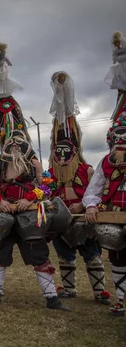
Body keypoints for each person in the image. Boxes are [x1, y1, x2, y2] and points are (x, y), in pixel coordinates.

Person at [0, 129, 70, 310]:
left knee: (37, 250)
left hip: (28, 212)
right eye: (11, 141)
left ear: (26, 143)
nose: (15, 143)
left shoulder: (34, 163)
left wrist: (29, 199)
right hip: (4, 213)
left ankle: (52, 298)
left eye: (19, 140)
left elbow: (45, 187)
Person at [46, 71, 110, 304]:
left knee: (91, 254)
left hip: (83, 220)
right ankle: (69, 288)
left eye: (67, 151)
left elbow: (97, 194)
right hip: (61, 221)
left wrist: (82, 207)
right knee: (64, 255)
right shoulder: (50, 173)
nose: (62, 156)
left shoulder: (87, 170)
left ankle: (99, 290)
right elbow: (46, 195)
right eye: (57, 151)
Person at [82, 106, 126, 317]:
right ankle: (120, 300)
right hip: (114, 217)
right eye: (117, 141)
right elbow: (94, 189)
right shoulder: (105, 164)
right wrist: (91, 205)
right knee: (117, 257)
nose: (121, 146)